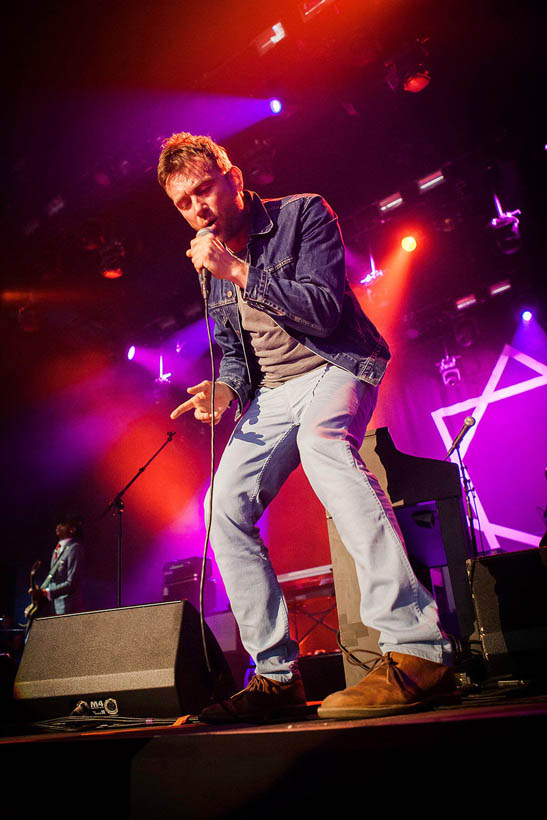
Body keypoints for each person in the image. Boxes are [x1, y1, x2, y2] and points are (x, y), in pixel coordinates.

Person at [158, 132, 456, 722]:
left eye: (204, 190)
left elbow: (325, 311)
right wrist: (226, 388)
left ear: (233, 177)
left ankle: (418, 649)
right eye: (183, 203)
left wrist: (239, 271)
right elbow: (237, 353)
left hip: (337, 364)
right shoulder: (208, 263)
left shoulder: (304, 214)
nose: (198, 209)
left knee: (324, 448)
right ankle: (274, 675)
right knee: (221, 507)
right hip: (271, 393)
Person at [28, 514, 86, 616]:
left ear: (72, 529)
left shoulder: (75, 548)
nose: (58, 526)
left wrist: (45, 592)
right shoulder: (57, 550)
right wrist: (41, 591)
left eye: (63, 524)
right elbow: (54, 579)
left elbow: (71, 583)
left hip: (69, 608)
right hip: (55, 607)